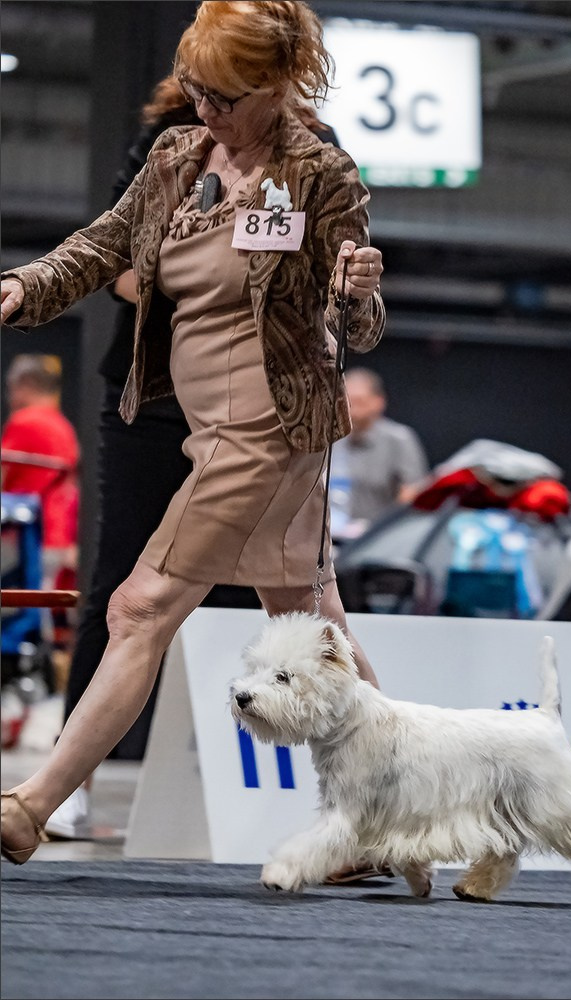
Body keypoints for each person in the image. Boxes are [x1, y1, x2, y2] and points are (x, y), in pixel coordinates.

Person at [0, 1, 385, 875]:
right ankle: (389, 814)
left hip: (270, 428)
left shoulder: (317, 172)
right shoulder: (178, 155)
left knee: (140, 605)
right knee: (310, 619)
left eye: (223, 95)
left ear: (276, 84)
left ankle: (30, 805)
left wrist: (358, 290)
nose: (203, 108)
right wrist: (24, 285)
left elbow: (357, 326)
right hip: (203, 427)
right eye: (196, 89)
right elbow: (102, 248)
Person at [1, 353, 80, 592]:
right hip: (61, 533)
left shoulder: (25, 421)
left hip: (34, 538)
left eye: (11, 388)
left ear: (25, 385)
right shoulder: (63, 426)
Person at [331, 367, 429, 534]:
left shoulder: (399, 439)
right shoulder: (331, 439)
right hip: (331, 534)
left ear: (378, 401)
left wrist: (380, 530)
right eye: (345, 402)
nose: (351, 410)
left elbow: (413, 493)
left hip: (375, 535)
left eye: (359, 402)